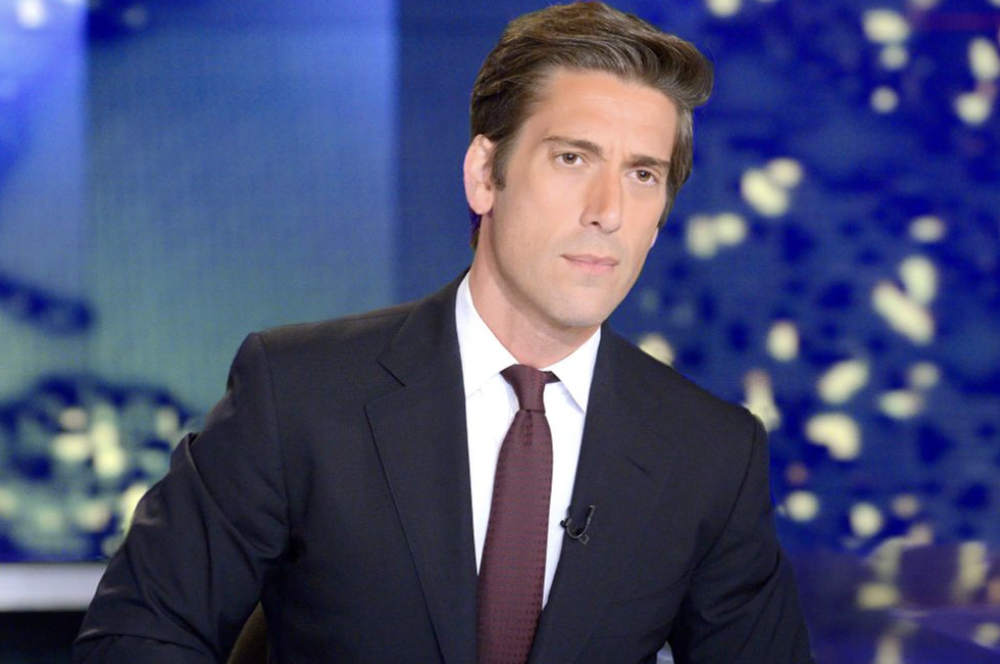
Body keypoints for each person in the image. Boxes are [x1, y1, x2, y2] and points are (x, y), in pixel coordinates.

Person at [74, 2, 814, 663]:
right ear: (485, 174)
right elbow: (139, 636)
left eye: (643, 175)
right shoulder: (295, 391)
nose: (608, 210)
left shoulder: (711, 453)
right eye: (572, 158)